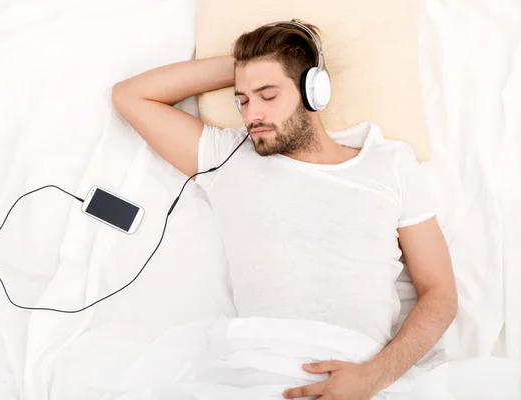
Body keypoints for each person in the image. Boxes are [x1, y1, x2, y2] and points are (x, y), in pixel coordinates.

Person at [112, 19, 458, 400]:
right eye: (241, 99)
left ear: (314, 91)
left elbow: (439, 293)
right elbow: (130, 96)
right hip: (260, 371)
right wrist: (245, 68)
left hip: (365, 372)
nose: (251, 114)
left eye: (267, 95)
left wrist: (374, 377)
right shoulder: (228, 157)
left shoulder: (390, 163)